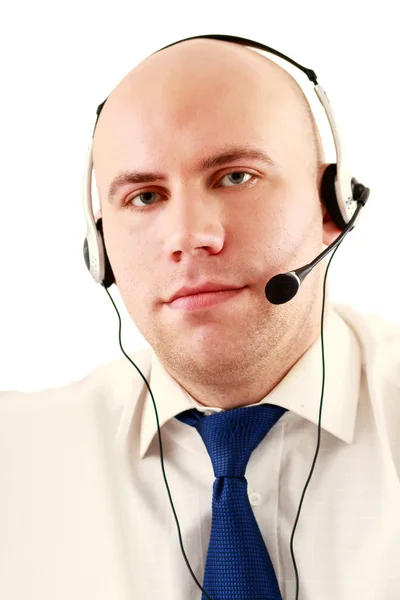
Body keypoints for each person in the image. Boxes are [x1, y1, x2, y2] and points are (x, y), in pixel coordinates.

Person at [6, 37, 400, 599]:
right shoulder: (17, 460)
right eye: (144, 197)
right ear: (100, 247)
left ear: (334, 204)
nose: (190, 236)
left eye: (236, 177)